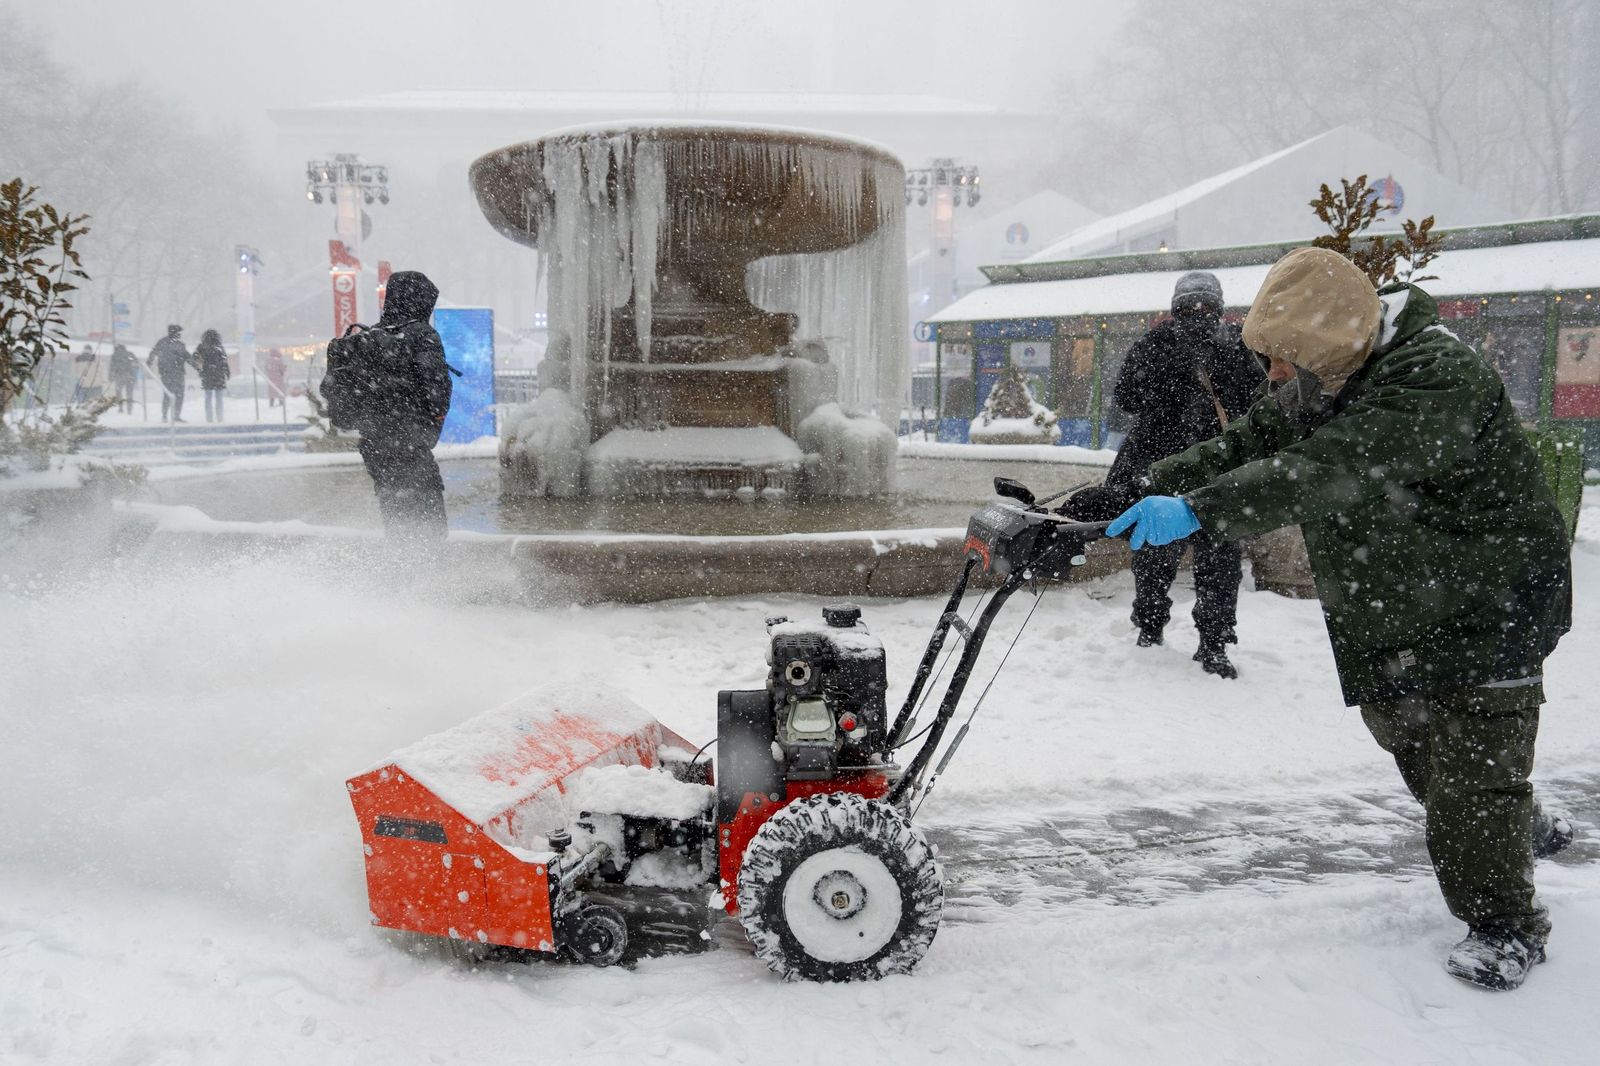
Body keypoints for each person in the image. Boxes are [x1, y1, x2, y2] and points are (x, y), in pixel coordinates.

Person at [1108, 247, 1574, 991]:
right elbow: (1255, 439)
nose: (1276, 378)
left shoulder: (1433, 377)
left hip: (1493, 596)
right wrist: (1141, 486)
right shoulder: (1337, 365)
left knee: (1469, 772)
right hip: (1405, 599)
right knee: (1407, 731)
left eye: (1286, 362)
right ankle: (1513, 824)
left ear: (1326, 344)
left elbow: (1327, 466)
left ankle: (1507, 923)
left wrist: (1200, 511)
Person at [1103, 272, 1263, 678]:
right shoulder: (1235, 343)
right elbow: (1257, 402)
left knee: (1166, 553)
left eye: (1202, 306)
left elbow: (1125, 398)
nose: (1197, 314)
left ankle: (1162, 629)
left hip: (1170, 466)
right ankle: (1208, 642)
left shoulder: (1161, 342)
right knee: (1215, 559)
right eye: (1192, 306)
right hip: (1210, 468)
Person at [344, 270, 453, 540]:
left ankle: (399, 567)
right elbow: (437, 388)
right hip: (410, 438)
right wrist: (431, 424)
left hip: (374, 443)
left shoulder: (369, 337)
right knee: (428, 512)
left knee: (393, 503)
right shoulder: (422, 335)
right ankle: (429, 571)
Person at [146, 324, 195, 423]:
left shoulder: (179, 344)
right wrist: (149, 362)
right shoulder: (163, 342)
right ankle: (165, 415)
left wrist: (196, 366)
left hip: (177, 372)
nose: (180, 334)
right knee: (169, 394)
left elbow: (187, 356)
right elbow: (154, 352)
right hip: (167, 373)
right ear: (174, 332)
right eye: (179, 333)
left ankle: (176, 415)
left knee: (178, 395)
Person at [196, 329, 230, 423]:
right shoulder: (220, 347)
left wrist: (200, 370)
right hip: (219, 375)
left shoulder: (202, 347)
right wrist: (227, 371)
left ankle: (209, 418)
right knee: (219, 398)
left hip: (207, 374)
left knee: (208, 398)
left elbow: (196, 359)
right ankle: (220, 417)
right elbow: (224, 361)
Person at [109, 342, 138, 413]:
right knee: (129, 393)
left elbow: (111, 367)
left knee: (118, 392)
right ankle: (129, 408)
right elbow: (136, 364)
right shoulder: (129, 354)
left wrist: (110, 377)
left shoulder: (115, 355)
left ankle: (121, 407)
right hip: (130, 376)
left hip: (119, 376)